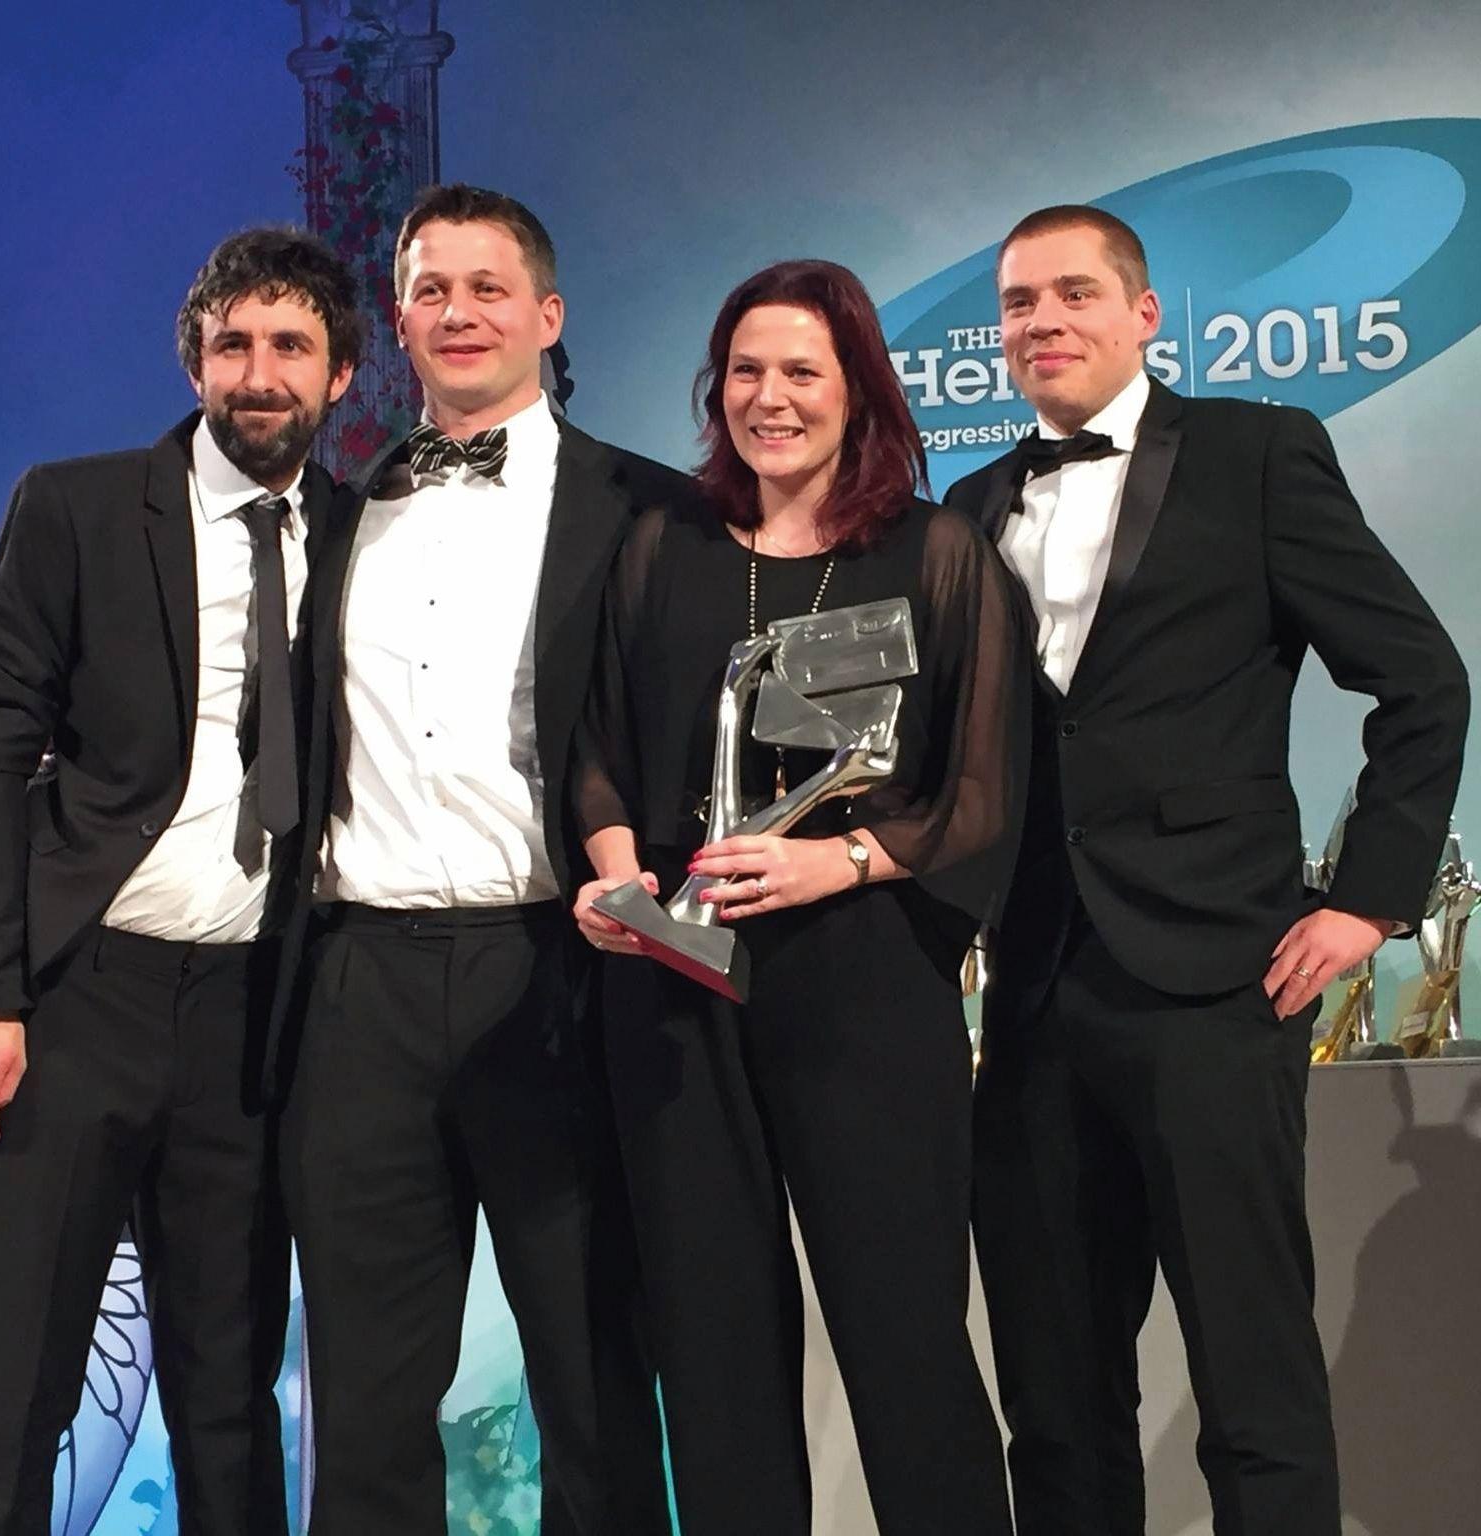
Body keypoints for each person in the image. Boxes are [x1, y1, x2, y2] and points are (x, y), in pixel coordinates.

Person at [945, 205, 1469, 1536]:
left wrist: (1368, 900)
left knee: (1251, 1376)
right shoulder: (970, 505)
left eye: (1073, 294)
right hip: (1033, 996)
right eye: (1017, 303)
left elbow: (1421, 679)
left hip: (1217, 985)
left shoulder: (1255, 453)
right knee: (1055, 1399)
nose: (1042, 322)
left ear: (1144, 314)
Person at [572, 258, 1028, 1536]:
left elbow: (985, 785)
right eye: (746, 371)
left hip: (864, 984)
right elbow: (597, 744)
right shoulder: (661, 546)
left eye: (801, 372)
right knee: (711, 1353)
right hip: (678, 985)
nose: (770, 398)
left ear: (858, 390)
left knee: (906, 1347)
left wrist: (845, 860)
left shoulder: (934, 551)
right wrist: (616, 875)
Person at [273, 183, 684, 1536]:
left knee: (592, 1372)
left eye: (487, 287)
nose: (458, 312)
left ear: (548, 315)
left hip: (565, 972)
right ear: (396, 322)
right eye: (429, 289)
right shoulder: (330, 518)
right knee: (366, 1393)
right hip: (359, 988)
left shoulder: (652, 510)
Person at [0, 228, 360, 1534]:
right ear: (195, 362)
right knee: (17, 1382)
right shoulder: (74, 508)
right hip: (80, 1001)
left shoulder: (366, 537)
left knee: (228, 1395)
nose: (258, 373)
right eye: (232, 344)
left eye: (289, 345)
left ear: (340, 375)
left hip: (252, 1019)